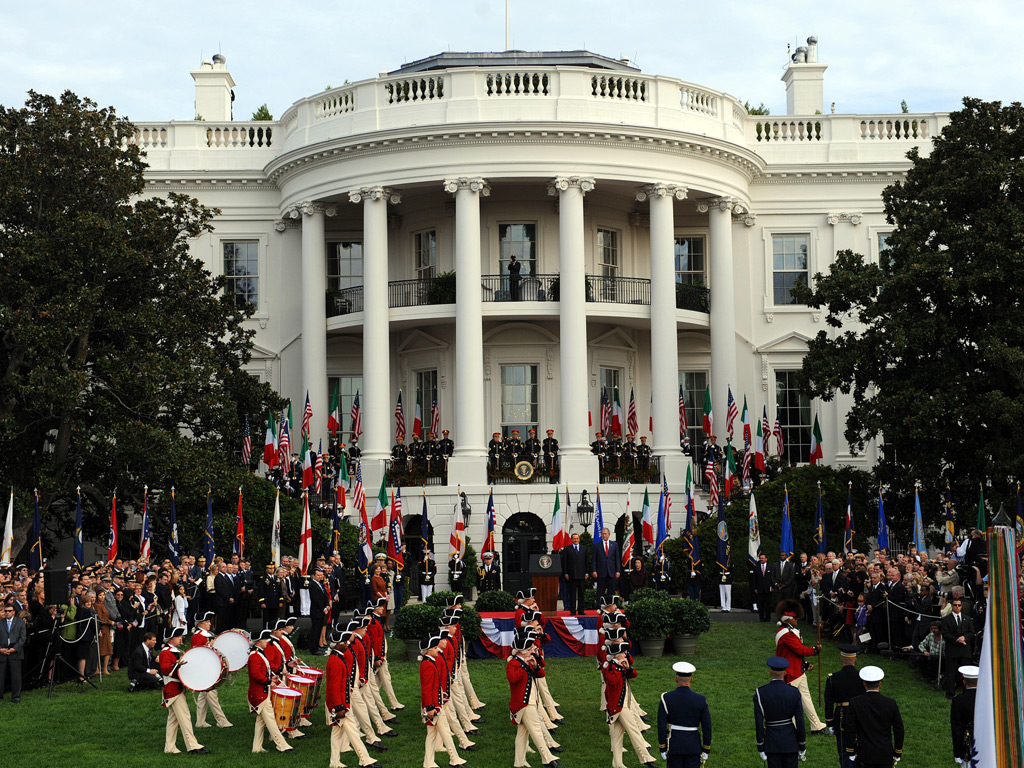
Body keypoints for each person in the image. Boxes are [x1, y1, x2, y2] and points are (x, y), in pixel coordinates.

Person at [326, 626, 380, 768]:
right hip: (340, 706)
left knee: (336, 734)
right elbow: (334, 687)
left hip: (340, 704)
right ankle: (365, 760)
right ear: (338, 644)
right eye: (345, 642)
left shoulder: (336, 657)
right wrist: (339, 707)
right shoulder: (336, 661)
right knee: (354, 733)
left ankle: (334, 762)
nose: (348, 644)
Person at [507, 631, 561, 768]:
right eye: (530, 648)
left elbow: (541, 673)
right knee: (536, 730)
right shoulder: (513, 663)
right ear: (522, 651)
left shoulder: (527, 660)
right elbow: (513, 679)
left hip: (530, 701)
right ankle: (547, 759)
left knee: (522, 734)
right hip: (524, 704)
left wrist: (535, 664)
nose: (532, 650)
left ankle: (519, 762)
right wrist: (524, 665)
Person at [774, 605, 827, 734]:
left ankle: (816, 725)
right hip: (791, 673)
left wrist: (805, 664)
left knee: (806, 700)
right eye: (794, 618)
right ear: (788, 619)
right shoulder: (787, 634)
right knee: (791, 702)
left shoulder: (788, 631)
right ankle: (791, 727)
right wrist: (814, 650)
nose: (796, 620)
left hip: (796, 671)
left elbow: (794, 654)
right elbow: (799, 649)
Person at [603, 640, 655, 768]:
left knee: (617, 736)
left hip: (621, 705)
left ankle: (617, 764)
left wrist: (627, 668)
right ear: (617, 655)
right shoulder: (610, 667)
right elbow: (613, 682)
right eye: (623, 652)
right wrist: (620, 667)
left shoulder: (618, 665)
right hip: (619, 707)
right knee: (634, 731)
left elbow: (634, 675)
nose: (625, 654)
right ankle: (646, 759)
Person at [420, 631, 467, 768]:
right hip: (434, 707)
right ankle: (454, 759)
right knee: (445, 732)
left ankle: (428, 762)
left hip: (435, 704)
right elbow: (427, 689)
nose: (437, 650)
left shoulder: (429, 662)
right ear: (428, 651)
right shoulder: (428, 665)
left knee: (431, 735)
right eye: (435, 648)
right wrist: (430, 707)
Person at [160, 627, 208, 754]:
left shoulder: (173, 651)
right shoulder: (165, 652)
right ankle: (192, 746)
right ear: (171, 639)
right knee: (185, 717)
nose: (181, 638)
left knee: (173, 720)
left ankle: (169, 747)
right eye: (178, 636)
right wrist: (177, 664)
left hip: (176, 688)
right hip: (173, 689)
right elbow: (165, 670)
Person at [845, 666, 904, 767]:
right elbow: (899, 729)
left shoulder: (855, 703)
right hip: (885, 753)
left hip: (864, 753)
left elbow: (850, 728)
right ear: (880, 684)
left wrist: (851, 750)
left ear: (864, 683)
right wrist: (897, 751)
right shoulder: (890, 703)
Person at [753, 656, 806, 767]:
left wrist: (760, 745)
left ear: (770, 673)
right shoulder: (794, 692)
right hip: (790, 742)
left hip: (772, 743)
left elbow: (759, 722)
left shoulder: (760, 693)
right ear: (785, 673)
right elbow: (800, 721)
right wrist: (802, 744)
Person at [248, 628, 294, 754]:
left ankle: (257, 747)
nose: (267, 642)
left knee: (261, 721)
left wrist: (270, 678)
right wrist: (268, 681)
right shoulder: (255, 656)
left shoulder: (258, 653)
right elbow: (255, 674)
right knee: (271, 721)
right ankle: (282, 746)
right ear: (258, 642)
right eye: (264, 640)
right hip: (259, 694)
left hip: (261, 692)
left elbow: (261, 672)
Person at [657, 661, 711, 768]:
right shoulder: (700, 700)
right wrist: (706, 748)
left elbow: (661, 725)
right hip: (693, 746)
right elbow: (707, 726)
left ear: (676, 679)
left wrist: (662, 747)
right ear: (691, 679)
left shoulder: (666, 698)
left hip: (674, 745)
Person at [823, 644, 865, 768]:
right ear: (855, 659)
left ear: (841, 659)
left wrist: (829, 722)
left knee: (844, 751)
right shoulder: (862, 677)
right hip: (860, 715)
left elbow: (829, 701)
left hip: (842, 717)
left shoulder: (833, 678)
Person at [191, 612, 233, 728]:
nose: (210, 624)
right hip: (204, 670)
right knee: (212, 695)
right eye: (207, 622)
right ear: (201, 624)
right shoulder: (198, 636)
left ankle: (200, 721)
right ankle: (221, 721)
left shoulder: (205, 634)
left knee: (203, 696)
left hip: (208, 668)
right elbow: (197, 653)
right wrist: (209, 646)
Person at [940, 596, 976, 698]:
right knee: (951, 672)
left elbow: (972, 633)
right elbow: (945, 634)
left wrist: (964, 638)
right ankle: (950, 693)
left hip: (965, 650)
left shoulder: (967, 619)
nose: (957, 607)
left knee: (966, 673)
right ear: (951, 606)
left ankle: (966, 693)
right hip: (952, 650)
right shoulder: (946, 619)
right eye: (955, 605)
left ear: (961, 606)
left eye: (959, 605)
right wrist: (957, 639)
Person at [950, 664, 978, 767]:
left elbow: (956, 728)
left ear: (964, 681)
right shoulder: (989, 699)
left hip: (967, 742)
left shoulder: (958, 701)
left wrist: (957, 753)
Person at [0, 603, 26, 703]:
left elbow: (22, 638)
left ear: (14, 612)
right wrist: (0, 649)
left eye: (9, 611)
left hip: (15, 653)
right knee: (1, 676)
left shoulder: (20, 622)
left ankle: (16, 697)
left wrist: (14, 649)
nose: (7, 613)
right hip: (2, 653)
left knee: (16, 677)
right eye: (5, 611)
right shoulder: (1, 622)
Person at [561, 533, 588, 615]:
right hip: (571, 575)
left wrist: (587, 572)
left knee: (581, 593)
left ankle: (581, 610)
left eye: (577, 538)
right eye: (574, 538)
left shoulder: (584, 548)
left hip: (582, 575)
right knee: (572, 594)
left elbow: (587, 561)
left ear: (579, 539)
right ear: (571, 539)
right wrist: (566, 573)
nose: (576, 540)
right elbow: (564, 562)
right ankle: (572, 610)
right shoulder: (567, 549)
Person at [593, 527, 620, 603]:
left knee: (611, 591)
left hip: (611, 572)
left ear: (609, 534)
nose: (604, 535)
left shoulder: (614, 545)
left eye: (605, 534)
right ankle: (600, 606)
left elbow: (617, 559)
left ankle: (611, 606)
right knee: (600, 591)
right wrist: (594, 570)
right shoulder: (597, 545)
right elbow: (594, 559)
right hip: (601, 572)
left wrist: (618, 570)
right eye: (603, 534)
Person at [309, 566, 330, 656]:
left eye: (321, 575)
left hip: (321, 611)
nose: (320, 577)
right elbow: (316, 599)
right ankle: (314, 648)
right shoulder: (312, 585)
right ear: (313, 576)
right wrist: (323, 608)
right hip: (316, 611)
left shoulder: (320, 584)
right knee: (315, 630)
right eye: (318, 575)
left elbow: (325, 596)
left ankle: (317, 646)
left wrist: (327, 605)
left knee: (319, 630)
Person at [752, 554, 775, 622]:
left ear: (766, 559)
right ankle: (761, 618)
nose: (761, 559)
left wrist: (773, 587)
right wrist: (755, 588)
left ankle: (768, 618)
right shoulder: (756, 567)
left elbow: (773, 578)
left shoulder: (771, 567)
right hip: (760, 589)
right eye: (760, 558)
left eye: (763, 558)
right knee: (760, 605)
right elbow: (754, 579)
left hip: (768, 589)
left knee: (768, 604)